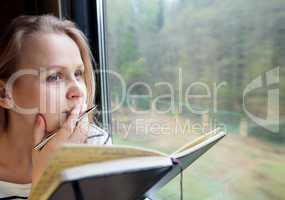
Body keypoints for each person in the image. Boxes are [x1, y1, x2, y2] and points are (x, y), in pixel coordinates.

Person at [0, 15, 110, 199]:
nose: (78, 91)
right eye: (55, 77)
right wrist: (47, 178)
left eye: (78, 73)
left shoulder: (96, 143)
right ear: (4, 94)